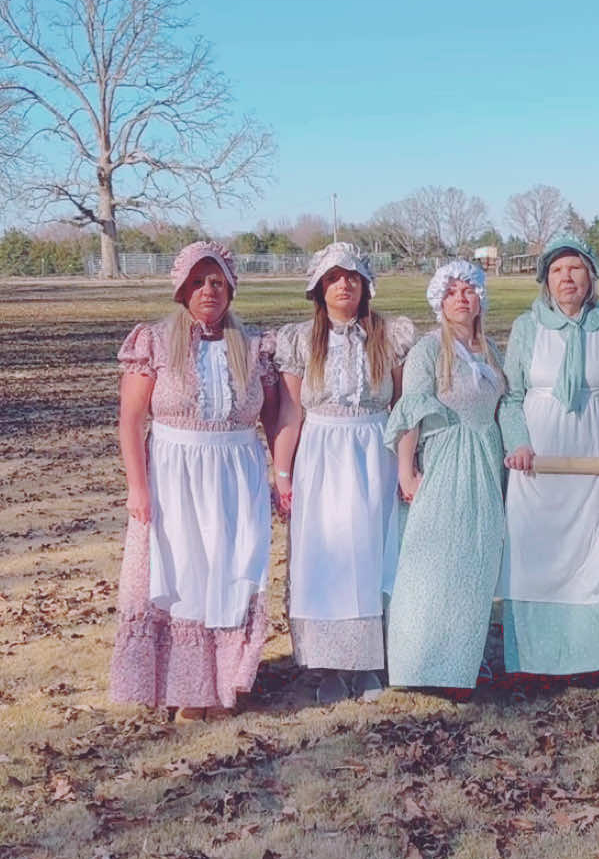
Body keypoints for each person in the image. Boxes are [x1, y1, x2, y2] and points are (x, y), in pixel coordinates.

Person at [110, 241, 280, 719]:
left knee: (230, 574)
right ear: (182, 288)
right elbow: (130, 419)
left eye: (218, 281)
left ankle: (224, 685)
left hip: (236, 475)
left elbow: (273, 418)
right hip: (174, 477)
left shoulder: (251, 347)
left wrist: (282, 472)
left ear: (230, 289)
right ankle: (186, 688)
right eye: (199, 282)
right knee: (183, 574)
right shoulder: (157, 341)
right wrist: (137, 488)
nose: (209, 290)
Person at [273, 243, 416, 704]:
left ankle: (372, 662)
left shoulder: (388, 336)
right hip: (321, 454)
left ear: (365, 284)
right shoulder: (300, 340)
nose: (343, 285)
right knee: (326, 556)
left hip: (374, 448)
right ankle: (330, 664)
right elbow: (291, 411)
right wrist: (283, 473)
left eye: (351, 277)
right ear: (319, 286)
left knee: (375, 551)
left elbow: (401, 405)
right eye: (333, 277)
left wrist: (405, 463)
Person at [500, 233, 599, 678]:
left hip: (596, 466)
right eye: (558, 270)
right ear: (545, 279)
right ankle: (535, 659)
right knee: (534, 558)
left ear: (590, 276)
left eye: (575, 268)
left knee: (595, 559)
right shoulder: (528, 328)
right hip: (539, 466)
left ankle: (593, 655)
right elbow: (510, 398)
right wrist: (518, 443)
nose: (567, 277)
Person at [383, 259, 505, 692]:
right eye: (451, 291)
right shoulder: (429, 350)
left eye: (468, 290)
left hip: (486, 460)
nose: (461, 298)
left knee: (474, 561)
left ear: (479, 299)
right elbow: (412, 411)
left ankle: (460, 661)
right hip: (446, 459)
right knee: (434, 563)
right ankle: (420, 663)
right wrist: (406, 470)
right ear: (439, 301)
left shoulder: (490, 351)